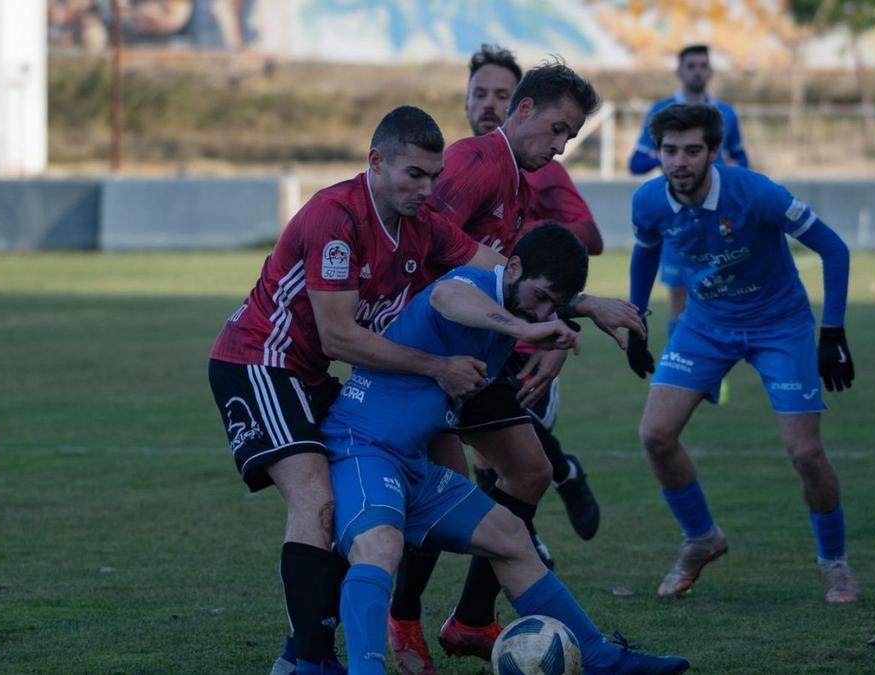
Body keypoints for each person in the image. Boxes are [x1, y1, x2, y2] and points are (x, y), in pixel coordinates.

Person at [208, 105, 506, 674]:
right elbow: (340, 336)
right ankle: (314, 662)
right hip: (260, 362)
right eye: (413, 174)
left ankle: (299, 656)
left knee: (352, 516)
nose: (426, 188)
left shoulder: (422, 224)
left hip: (311, 377)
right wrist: (437, 368)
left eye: (434, 176)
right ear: (376, 161)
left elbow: (500, 275)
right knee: (316, 501)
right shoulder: (335, 215)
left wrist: (573, 305)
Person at [326, 223, 690, 675]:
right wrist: (524, 327)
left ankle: (597, 657)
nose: (542, 312)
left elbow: (542, 297)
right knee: (380, 545)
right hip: (362, 447)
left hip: (413, 466)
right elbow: (446, 297)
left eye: (550, 306)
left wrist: (577, 310)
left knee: (511, 536)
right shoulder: (471, 285)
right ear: (512, 267)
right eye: (538, 298)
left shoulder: (520, 301)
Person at [387, 58, 645, 673]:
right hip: (435, 353)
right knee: (444, 491)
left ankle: (473, 620)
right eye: (557, 130)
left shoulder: (515, 177)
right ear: (522, 111)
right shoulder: (476, 164)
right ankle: (400, 620)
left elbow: (508, 281)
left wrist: (558, 319)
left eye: (570, 139)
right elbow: (426, 258)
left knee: (529, 470)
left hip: (471, 353)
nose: (559, 148)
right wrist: (576, 308)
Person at [627, 103, 857, 604]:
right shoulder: (648, 202)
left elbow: (834, 248)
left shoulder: (757, 193)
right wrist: (636, 318)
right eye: (669, 151)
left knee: (805, 453)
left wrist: (832, 332)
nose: (679, 162)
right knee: (655, 435)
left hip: (781, 327)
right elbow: (645, 250)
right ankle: (701, 538)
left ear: (713, 152)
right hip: (705, 327)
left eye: (692, 150)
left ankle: (834, 562)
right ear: (658, 154)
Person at [628, 44, 748, 343]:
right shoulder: (661, 111)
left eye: (702, 65)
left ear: (710, 70)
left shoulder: (727, 114)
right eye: (691, 65)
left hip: (722, 219)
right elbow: (636, 162)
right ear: (679, 71)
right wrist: (672, 158)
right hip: (677, 217)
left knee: (722, 301)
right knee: (679, 306)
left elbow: (742, 160)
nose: (697, 71)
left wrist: (734, 165)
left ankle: (713, 378)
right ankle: (683, 368)